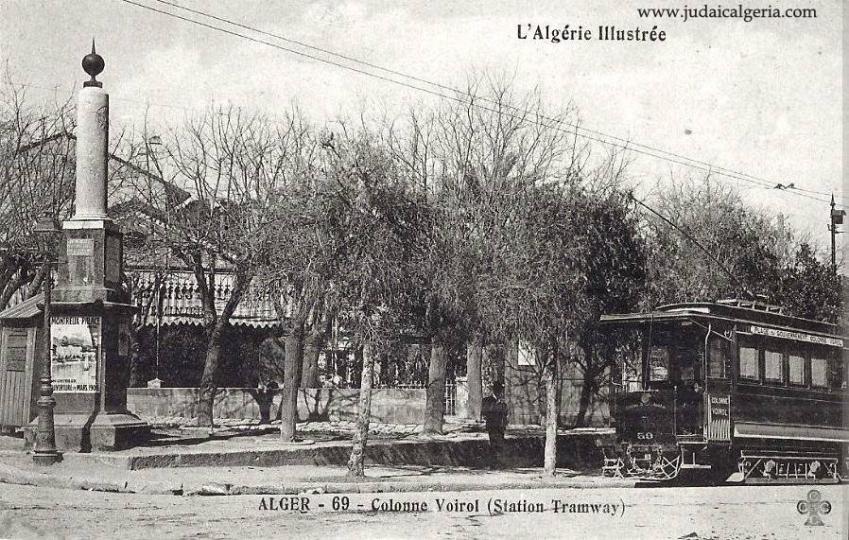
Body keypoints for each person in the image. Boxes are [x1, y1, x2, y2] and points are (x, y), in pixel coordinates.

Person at [481, 381, 508, 468]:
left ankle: (499, 463)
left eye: (500, 390)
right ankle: (493, 464)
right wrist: (496, 405)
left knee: (500, 445)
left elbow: (505, 414)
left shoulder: (503, 403)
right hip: (492, 426)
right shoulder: (486, 400)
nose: (499, 392)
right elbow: (484, 412)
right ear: (493, 390)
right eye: (497, 390)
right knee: (493, 445)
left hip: (500, 427)